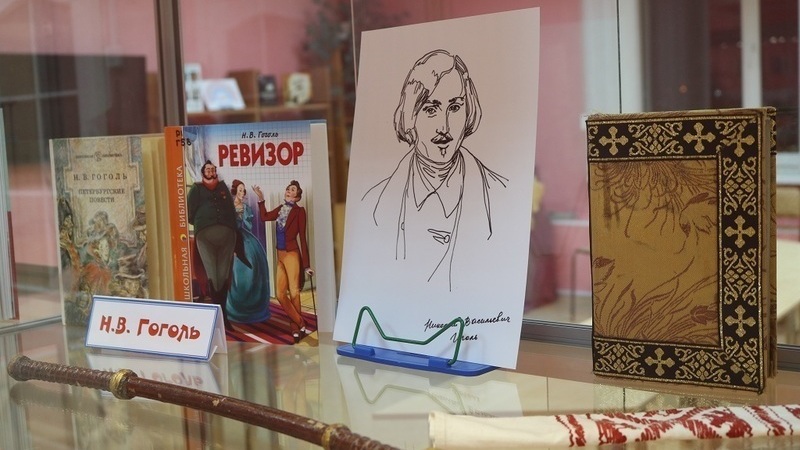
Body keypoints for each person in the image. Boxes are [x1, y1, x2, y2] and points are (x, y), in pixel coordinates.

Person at [362, 49, 507, 291]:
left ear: (468, 111)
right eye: (430, 109)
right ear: (410, 116)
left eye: (455, 107)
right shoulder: (371, 203)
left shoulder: (503, 195)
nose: (444, 127)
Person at [253, 181, 314, 342]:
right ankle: (301, 322)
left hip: (292, 254)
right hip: (280, 254)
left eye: (292, 189)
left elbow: (303, 238)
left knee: (294, 292)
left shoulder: (300, 211)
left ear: (297, 196)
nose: (288, 191)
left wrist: (306, 265)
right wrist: (261, 198)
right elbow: (265, 217)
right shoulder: (281, 209)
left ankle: (295, 328)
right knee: (280, 294)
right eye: (288, 189)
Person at [187, 160, 243, 330]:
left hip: (227, 236)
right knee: (213, 276)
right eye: (208, 169)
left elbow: (231, 211)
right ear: (203, 172)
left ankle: (222, 316)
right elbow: (189, 214)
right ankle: (219, 317)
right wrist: (203, 222)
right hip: (205, 237)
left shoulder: (223, 186)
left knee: (224, 275)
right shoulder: (196, 189)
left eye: (213, 169)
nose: (211, 172)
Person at [226, 179, 272, 323]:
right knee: (235, 272)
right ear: (235, 191)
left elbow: (248, 225)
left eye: (244, 190)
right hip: (231, 239)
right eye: (240, 190)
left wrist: (244, 212)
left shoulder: (246, 207)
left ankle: (254, 306)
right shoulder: (228, 206)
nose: (242, 192)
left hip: (245, 238)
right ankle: (235, 307)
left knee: (253, 266)